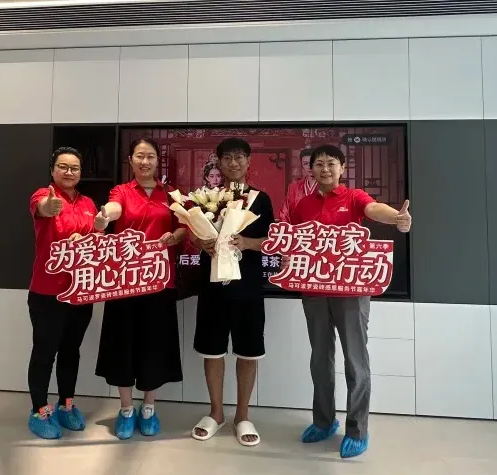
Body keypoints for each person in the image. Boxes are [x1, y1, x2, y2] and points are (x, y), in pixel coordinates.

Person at [289, 144, 412, 458]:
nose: (325, 169)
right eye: (319, 164)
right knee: (320, 360)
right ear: (311, 170)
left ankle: (357, 430)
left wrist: (396, 217)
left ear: (342, 168)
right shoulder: (303, 204)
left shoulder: (353, 197)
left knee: (355, 361)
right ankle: (324, 421)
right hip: (314, 289)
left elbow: (374, 209)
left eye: (331, 163)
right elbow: (294, 239)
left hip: (351, 292)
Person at [94, 138, 186, 440]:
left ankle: (148, 407)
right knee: (122, 344)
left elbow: (184, 226)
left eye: (150, 157)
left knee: (154, 345)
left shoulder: (169, 194)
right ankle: (125, 409)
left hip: (159, 280)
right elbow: (114, 208)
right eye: (139, 156)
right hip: (125, 281)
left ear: (158, 161)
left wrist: (175, 236)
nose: (145, 162)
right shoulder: (122, 191)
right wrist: (106, 215)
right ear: (130, 160)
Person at [190, 138, 275, 447]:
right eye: (227, 158)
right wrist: (202, 242)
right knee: (212, 351)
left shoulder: (260, 200)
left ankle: (242, 415)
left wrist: (248, 242)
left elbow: (272, 240)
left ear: (248, 162)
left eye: (239, 157)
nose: (233, 163)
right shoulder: (206, 198)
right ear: (220, 163)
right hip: (212, 287)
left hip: (248, 287)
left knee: (248, 352)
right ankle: (216, 413)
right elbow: (193, 234)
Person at [27, 146, 104, 440]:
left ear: (81, 172)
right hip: (48, 291)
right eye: (63, 166)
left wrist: (96, 232)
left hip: (80, 291)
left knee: (71, 350)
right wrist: (49, 206)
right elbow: (43, 209)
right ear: (52, 170)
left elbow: (96, 241)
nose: (69, 172)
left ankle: (66, 404)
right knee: (45, 352)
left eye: (74, 168)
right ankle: (39, 410)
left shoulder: (87, 202)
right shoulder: (42, 195)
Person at [279, 148, 316, 223]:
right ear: (302, 165)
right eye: (305, 163)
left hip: (320, 228)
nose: (309, 167)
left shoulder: (327, 187)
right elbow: (285, 213)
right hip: (297, 229)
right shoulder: (294, 188)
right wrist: (287, 228)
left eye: (312, 163)